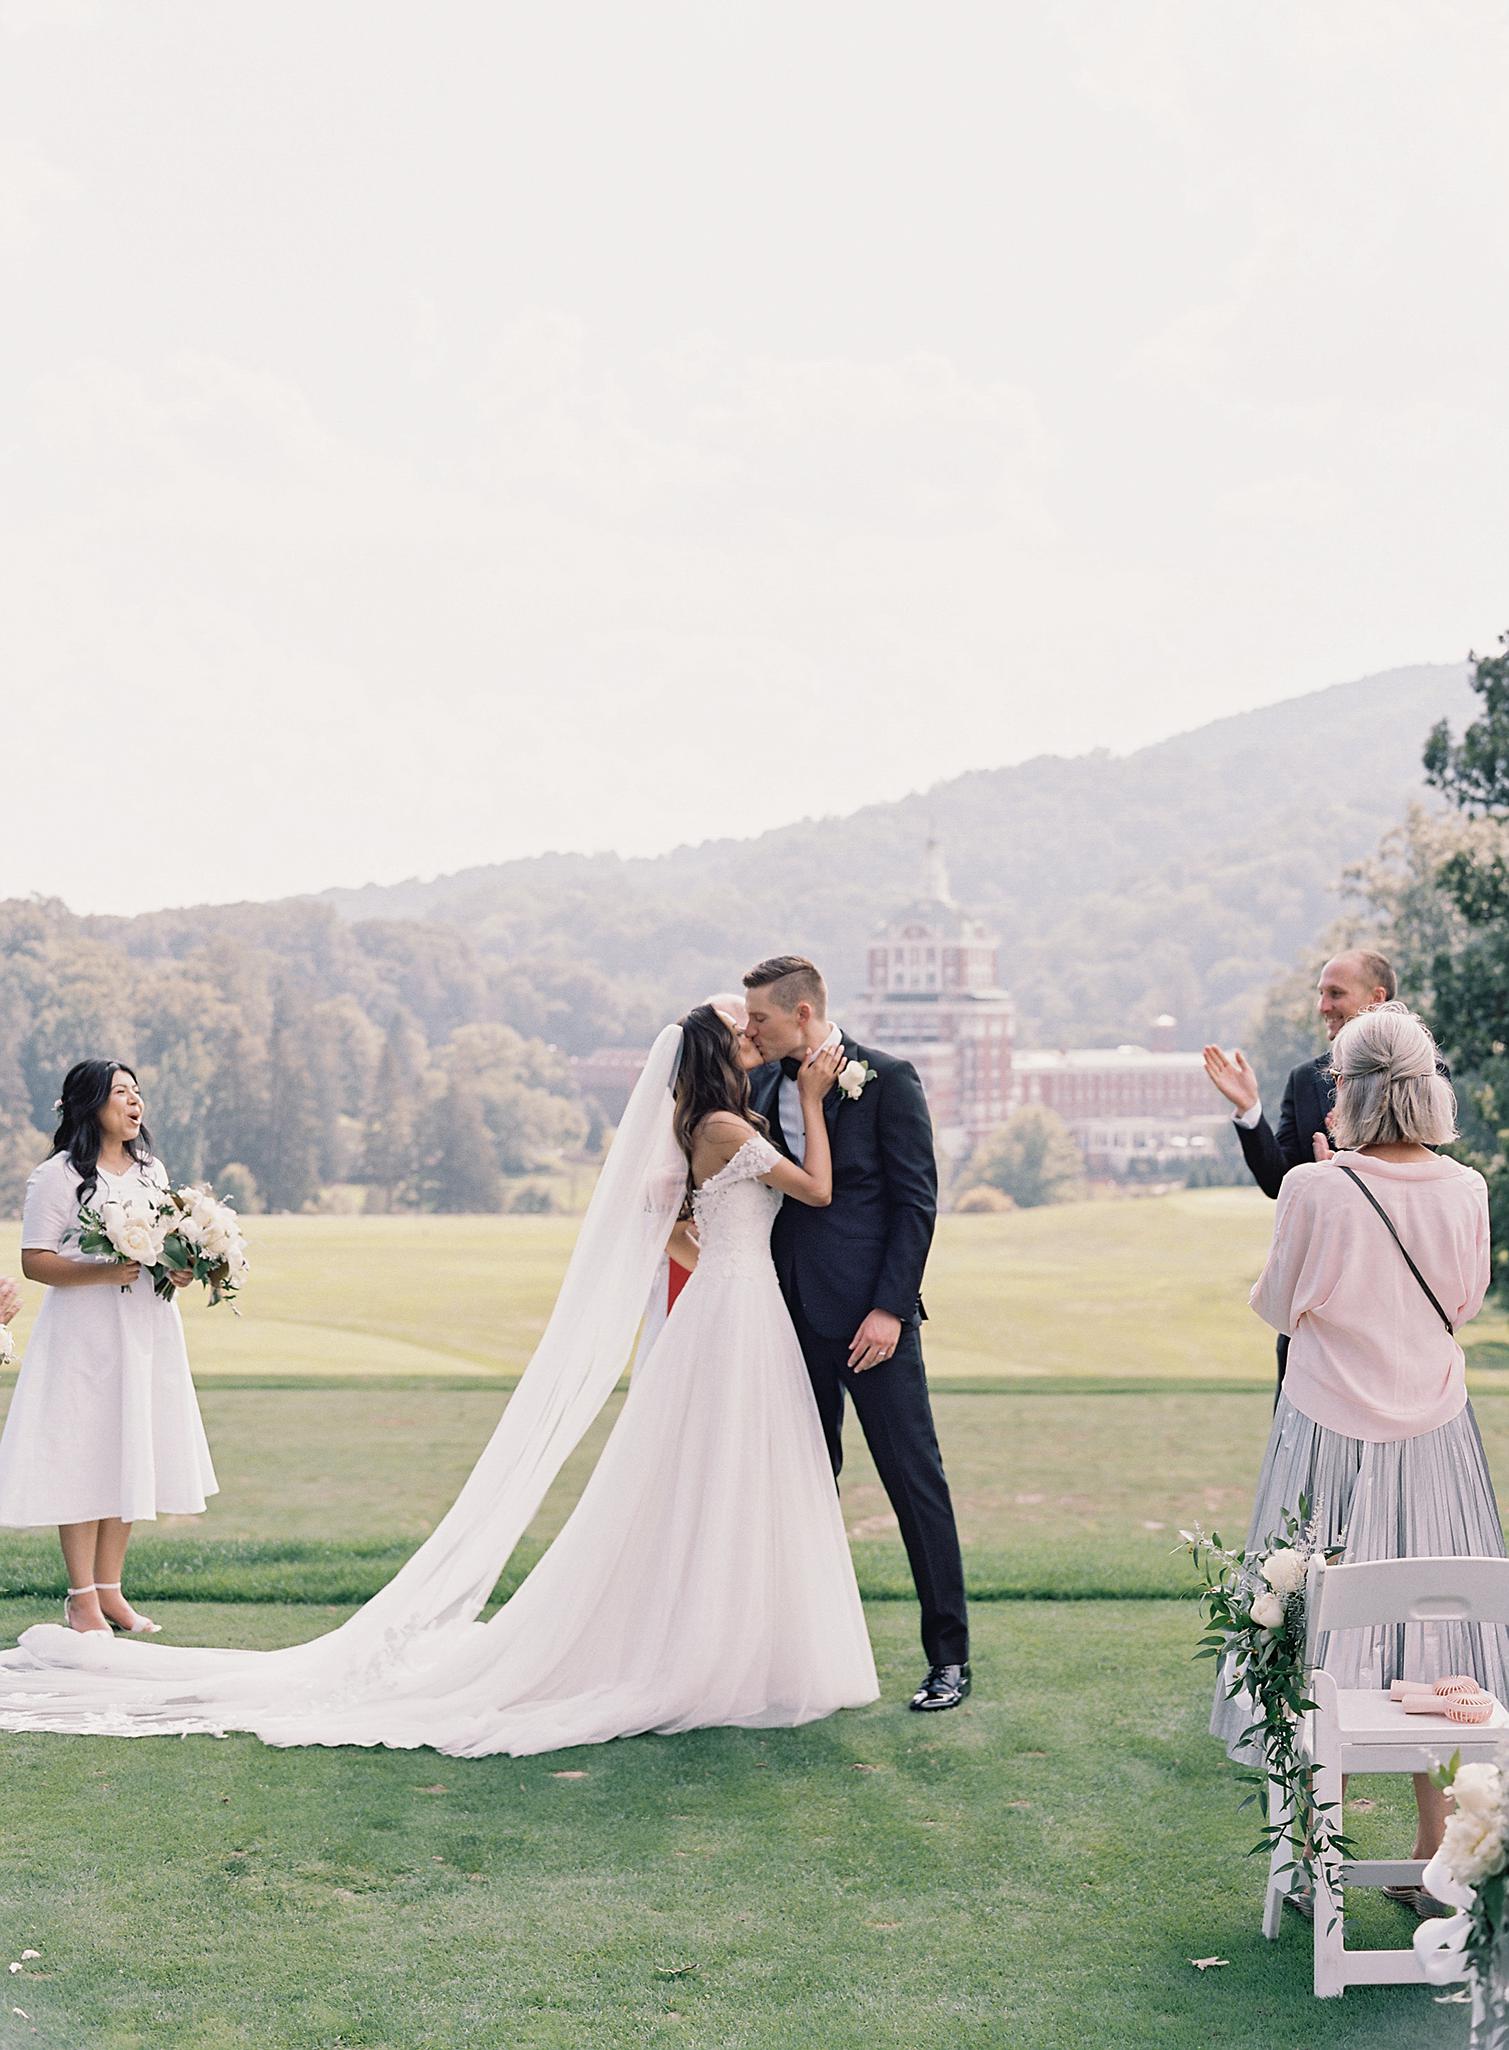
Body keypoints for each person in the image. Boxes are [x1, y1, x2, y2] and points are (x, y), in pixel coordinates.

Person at [0, 1010, 879, 1755]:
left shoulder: (703, 1126)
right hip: (736, 1305)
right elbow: (811, 1192)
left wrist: (724, 1255)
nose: (749, 1035)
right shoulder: (724, 1127)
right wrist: (805, 1104)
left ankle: (729, 1640)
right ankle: (88, 1596)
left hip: (735, 1303)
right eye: (740, 1030)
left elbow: (672, 1224)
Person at [1210, 1002, 1505, 1911]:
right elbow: (1462, 1302)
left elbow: (1276, 1306)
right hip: (1435, 1433)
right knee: (1434, 1625)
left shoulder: (1314, 1188)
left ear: (1350, 1092)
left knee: (1306, 1625)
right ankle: (1434, 1850)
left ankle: (1306, 1852)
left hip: (1325, 1434)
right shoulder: (1465, 1189)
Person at [742, 954, 971, 1712]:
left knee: (915, 1484)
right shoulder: (756, 1086)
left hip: (873, 1322)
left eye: (762, 1018)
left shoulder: (888, 1078)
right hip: (785, 1317)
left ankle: (947, 1660)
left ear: (801, 1013)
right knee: (799, 1483)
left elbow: (915, 1204)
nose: (752, 1029)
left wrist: (888, 1309)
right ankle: (793, 1653)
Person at [0, 1062, 214, 1637]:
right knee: (83, 1453)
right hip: (84, 1335)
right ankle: (80, 1598)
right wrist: (104, 1273)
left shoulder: (152, 1170)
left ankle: (112, 1591)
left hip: (146, 1329)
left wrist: (184, 1266)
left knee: (129, 1447)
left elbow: (165, 1244)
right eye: (121, 1093)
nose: (135, 1102)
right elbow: (34, 1259)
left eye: (138, 1093)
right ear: (89, 1104)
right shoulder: (57, 1176)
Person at [1203, 950, 1398, 1394]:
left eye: (1335, 993)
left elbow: (1417, 1181)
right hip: (1312, 1309)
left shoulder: (1421, 1076)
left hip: (1391, 1307)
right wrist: (1249, 1109)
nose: (1322, 1006)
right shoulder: (1305, 1079)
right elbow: (1279, 1181)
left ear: (1376, 998)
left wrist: (1344, 1171)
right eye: (1320, 994)